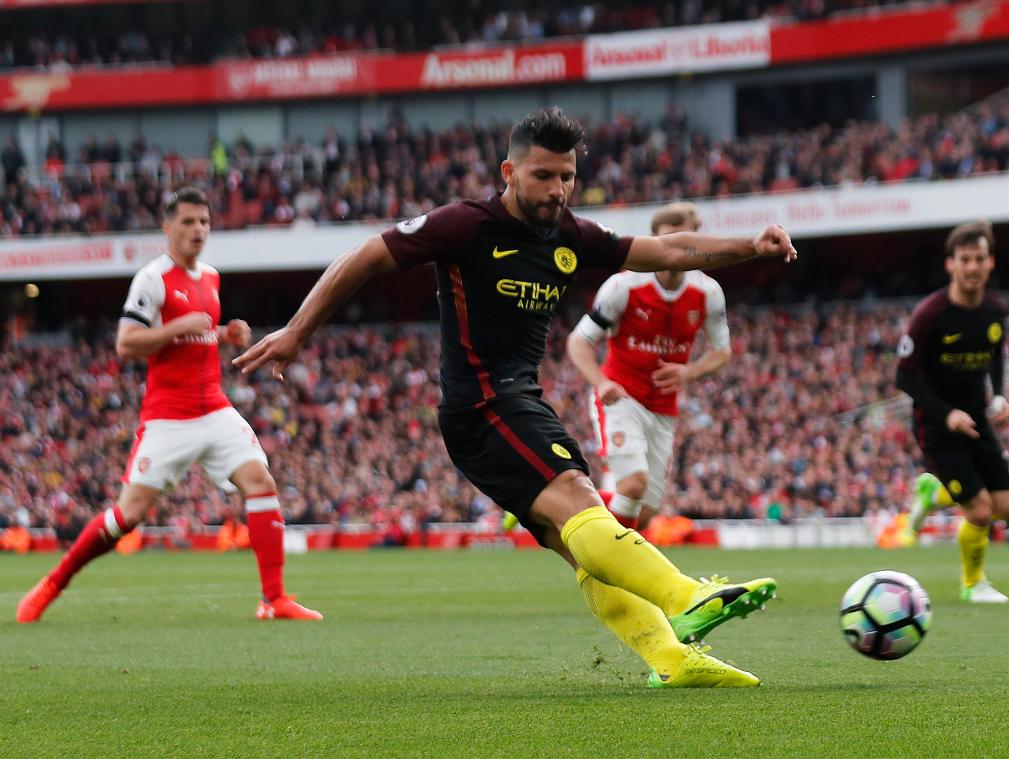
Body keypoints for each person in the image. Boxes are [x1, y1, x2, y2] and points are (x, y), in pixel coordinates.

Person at [235, 108, 796, 687]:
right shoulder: (466, 224)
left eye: (567, 177)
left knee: (579, 543)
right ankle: (686, 596)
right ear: (509, 171)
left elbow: (670, 252)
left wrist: (750, 244)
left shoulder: (570, 234)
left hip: (513, 405)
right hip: (482, 407)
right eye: (543, 176)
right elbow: (368, 256)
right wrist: (299, 330)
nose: (557, 190)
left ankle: (670, 659)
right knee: (581, 498)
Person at [16, 188, 322, 624]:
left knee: (260, 481)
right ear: (168, 227)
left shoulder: (211, 277)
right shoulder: (152, 279)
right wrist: (180, 324)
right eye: (188, 221)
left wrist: (224, 334)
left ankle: (273, 599)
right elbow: (126, 343)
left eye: (204, 222)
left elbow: (193, 335)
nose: (198, 229)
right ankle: (53, 582)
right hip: (168, 417)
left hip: (214, 407)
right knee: (130, 515)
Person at [569, 202, 731, 529]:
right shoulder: (623, 286)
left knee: (646, 511)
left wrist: (690, 371)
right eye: (668, 239)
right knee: (632, 485)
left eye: (684, 238)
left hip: (663, 408)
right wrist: (600, 382)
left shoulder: (708, 292)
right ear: (653, 240)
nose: (675, 247)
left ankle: (567, 501)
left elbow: (721, 351)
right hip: (620, 397)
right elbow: (578, 342)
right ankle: (608, 570)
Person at [894, 221, 1009, 603]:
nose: (972, 267)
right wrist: (946, 413)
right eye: (965, 259)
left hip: (977, 418)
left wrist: (998, 396)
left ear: (990, 262)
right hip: (936, 422)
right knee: (980, 511)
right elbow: (904, 376)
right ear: (951, 264)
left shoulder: (996, 311)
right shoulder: (930, 314)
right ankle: (972, 584)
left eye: (979, 259)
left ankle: (937, 494)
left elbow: (996, 353)